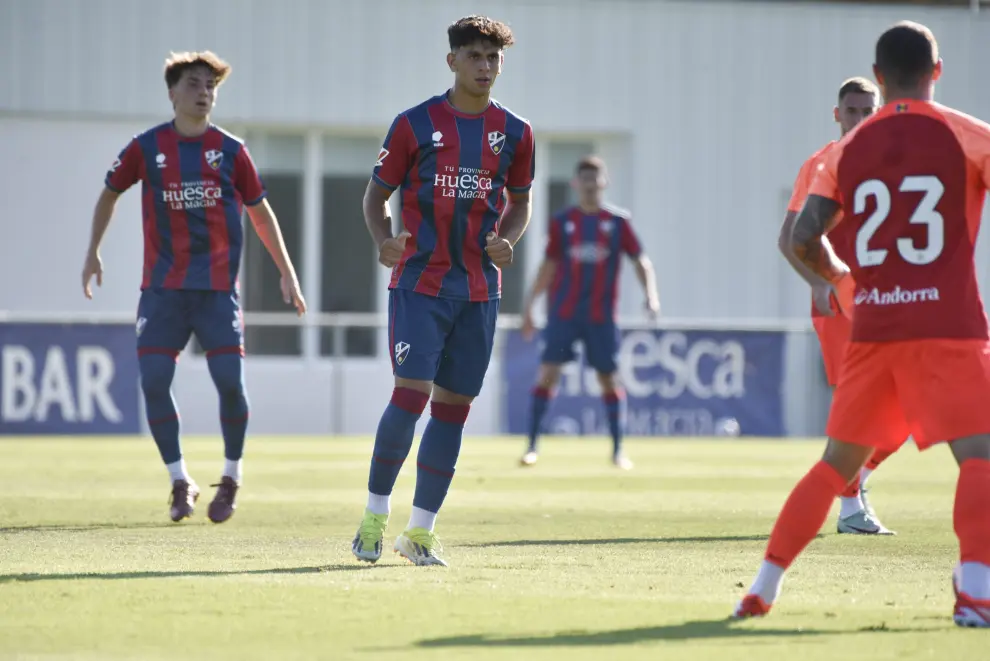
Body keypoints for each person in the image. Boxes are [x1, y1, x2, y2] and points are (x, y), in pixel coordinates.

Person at [734, 21, 990, 628]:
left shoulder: (842, 152)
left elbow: (802, 238)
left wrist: (846, 281)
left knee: (833, 466)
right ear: (938, 70)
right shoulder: (969, 136)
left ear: (878, 77)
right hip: (948, 322)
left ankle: (762, 587)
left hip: (875, 326)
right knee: (980, 459)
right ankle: (975, 591)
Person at [82, 51, 306, 524]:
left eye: (211, 86)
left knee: (230, 383)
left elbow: (261, 213)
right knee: (155, 382)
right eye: (194, 84)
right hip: (163, 291)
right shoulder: (146, 148)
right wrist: (93, 251)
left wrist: (285, 270)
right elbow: (109, 193)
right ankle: (180, 481)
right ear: (172, 93)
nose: (204, 93)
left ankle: (230, 477)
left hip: (216, 290)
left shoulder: (231, 150)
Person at [351, 15, 535, 567]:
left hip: (479, 292)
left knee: (453, 409)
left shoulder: (518, 133)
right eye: (475, 56)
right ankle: (373, 518)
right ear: (451, 60)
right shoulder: (413, 124)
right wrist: (384, 239)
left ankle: (420, 533)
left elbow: (521, 202)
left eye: (493, 58)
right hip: (420, 284)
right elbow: (374, 198)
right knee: (409, 398)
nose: (485, 67)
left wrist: (507, 239)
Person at [780, 76, 903, 536]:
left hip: (890, 301)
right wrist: (816, 282)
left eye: (868, 111)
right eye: (852, 111)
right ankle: (851, 507)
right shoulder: (820, 165)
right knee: (856, 407)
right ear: (837, 114)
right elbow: (788, 239)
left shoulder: (896, 166)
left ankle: (852, 483)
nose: (859, 119)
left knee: (907, 409)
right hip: (839, 303)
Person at [518, 156, 659, 469]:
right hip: (564, 314)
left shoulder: (618, 223)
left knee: (609, 379)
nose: (590, 185)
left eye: (595, 179)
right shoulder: (563, 223)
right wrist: (530, 306)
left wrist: (651, 296)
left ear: (604, 183)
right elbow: (548, 266)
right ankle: (532, 446)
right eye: (585, 179)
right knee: (548, 374)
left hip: (601, 316)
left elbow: (641, 261)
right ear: (576, 184)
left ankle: (618, 451)